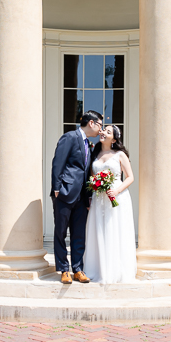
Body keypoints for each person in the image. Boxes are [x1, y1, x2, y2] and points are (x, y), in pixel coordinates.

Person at [50, 110, 103, 284]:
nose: (100, 129)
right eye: (100, 124)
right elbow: (58, 162)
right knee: (60, 232)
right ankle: (64, 270)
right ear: (91, 123)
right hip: (64, 193)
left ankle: (78, 269)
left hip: (81, 197)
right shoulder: (70, 137)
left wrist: (88, 196)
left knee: (79, 234)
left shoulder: (89, 144)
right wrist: (57, 188)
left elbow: (87, 171)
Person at [83, 124, 137, 284]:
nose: (103, 133)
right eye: (103, 130)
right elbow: (92, 177)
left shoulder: (120, 155)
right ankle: (98, 269)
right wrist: (93, 190)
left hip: (117, 197)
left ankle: (116, 270)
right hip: (98, 198)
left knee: (115, 230)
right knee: (99, 230)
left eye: (108, 132)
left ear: (114, 139)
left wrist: (117, 191)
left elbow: (130, 177)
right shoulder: (95, 154)